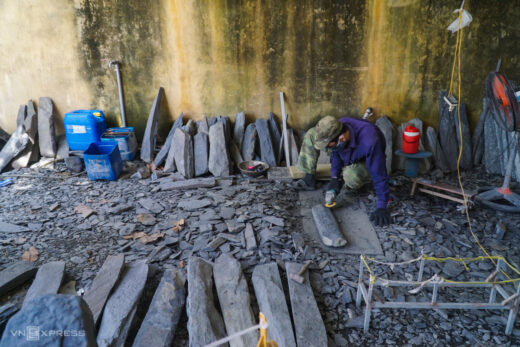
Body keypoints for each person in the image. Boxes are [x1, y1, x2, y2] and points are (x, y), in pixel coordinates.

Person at [293, 115, 392, 226]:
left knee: (351, 175)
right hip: (346, 152)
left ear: (342, 139)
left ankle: (352, 185)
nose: (326, 148)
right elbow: (336, 152)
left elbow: (379, 174)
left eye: (329, 145)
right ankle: (309, 178)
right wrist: (335, 178)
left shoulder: (371, 141)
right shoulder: (338, 125)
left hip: (363, 161)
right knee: (312, 134)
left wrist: (381, 207)